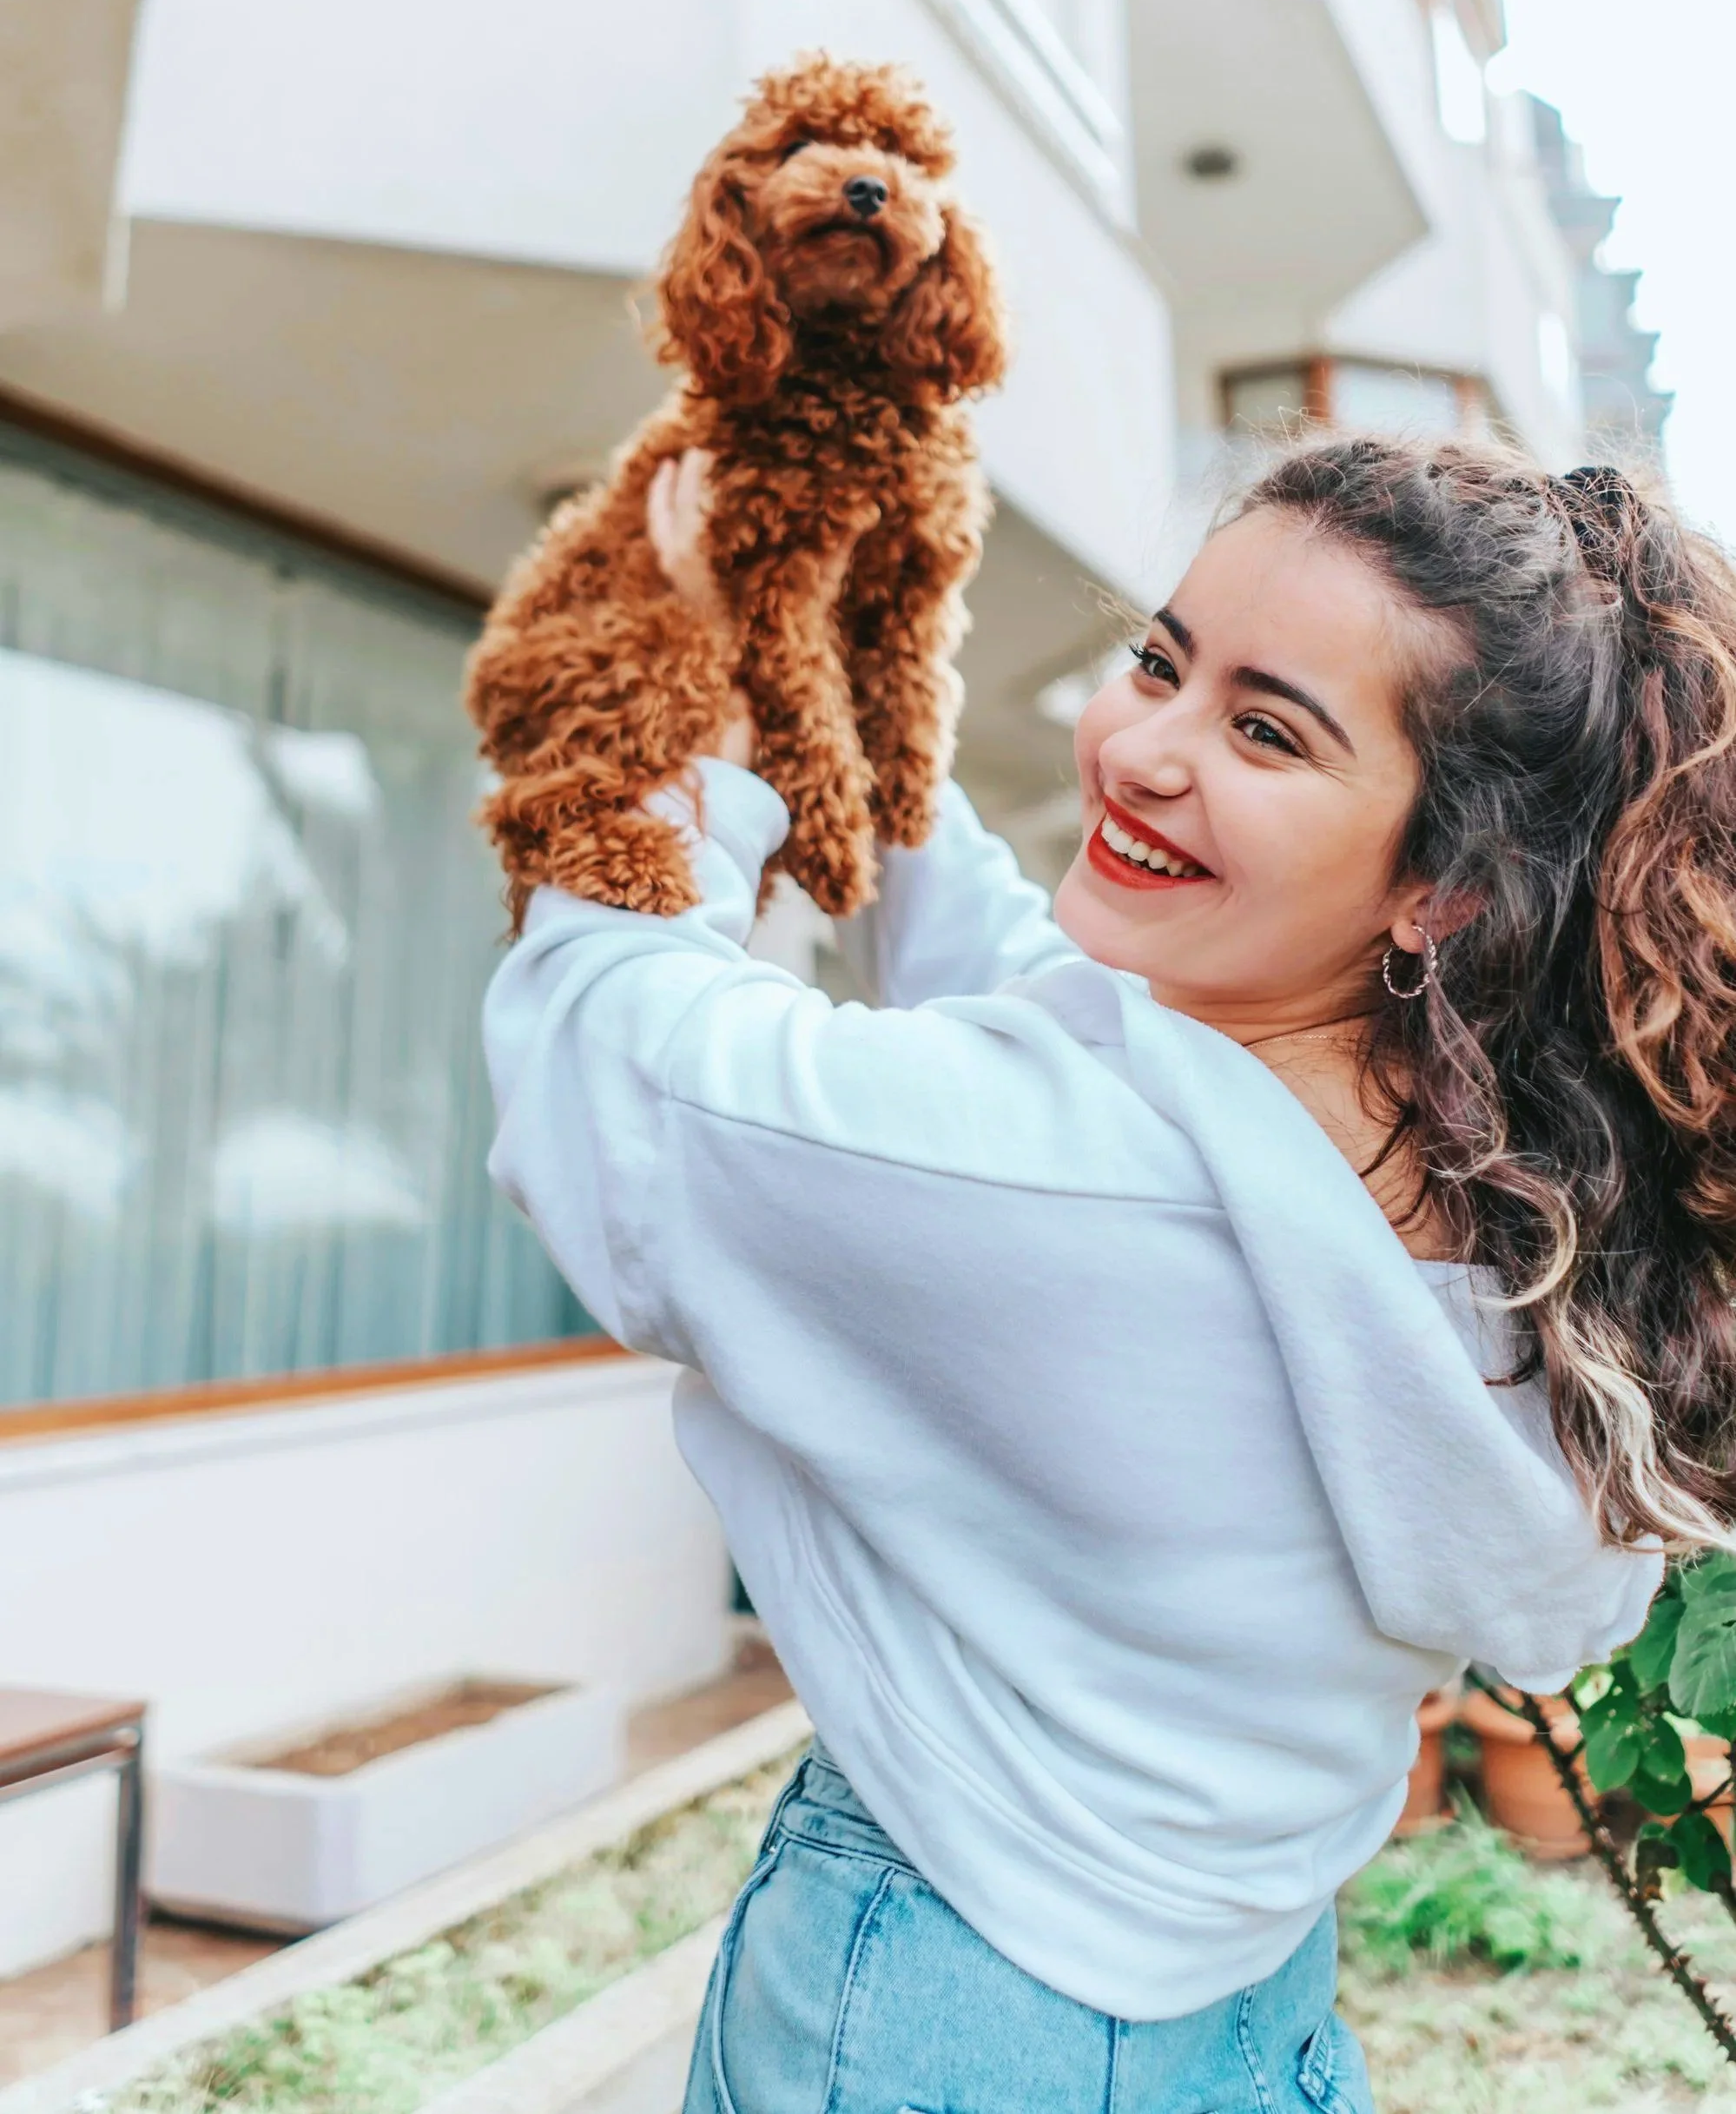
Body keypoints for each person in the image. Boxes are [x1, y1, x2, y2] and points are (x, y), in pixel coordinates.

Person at [482, 435, 1736, 2113]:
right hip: (1236, 2002)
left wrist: (689, 668)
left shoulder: (1086, 1179)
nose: (1141, 745)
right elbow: (1063, 1008)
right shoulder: (1466, 1188)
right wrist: (877, 704)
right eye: (1160, 659)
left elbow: (614, 1075)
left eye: (1263, 727)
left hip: (942, 2012)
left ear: (1440, 883)